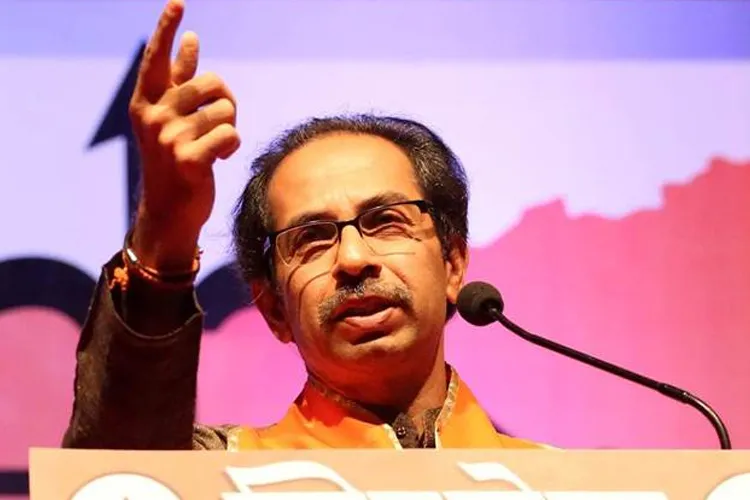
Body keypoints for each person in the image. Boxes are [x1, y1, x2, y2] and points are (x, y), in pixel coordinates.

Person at [62, 0, 543, 451]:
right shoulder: (224, 475)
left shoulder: (561, 484)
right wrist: (162, 232)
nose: (353, 259)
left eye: (385, 222)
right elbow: (116, 480)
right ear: (273, 309)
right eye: (312, 238)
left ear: (453, 264)